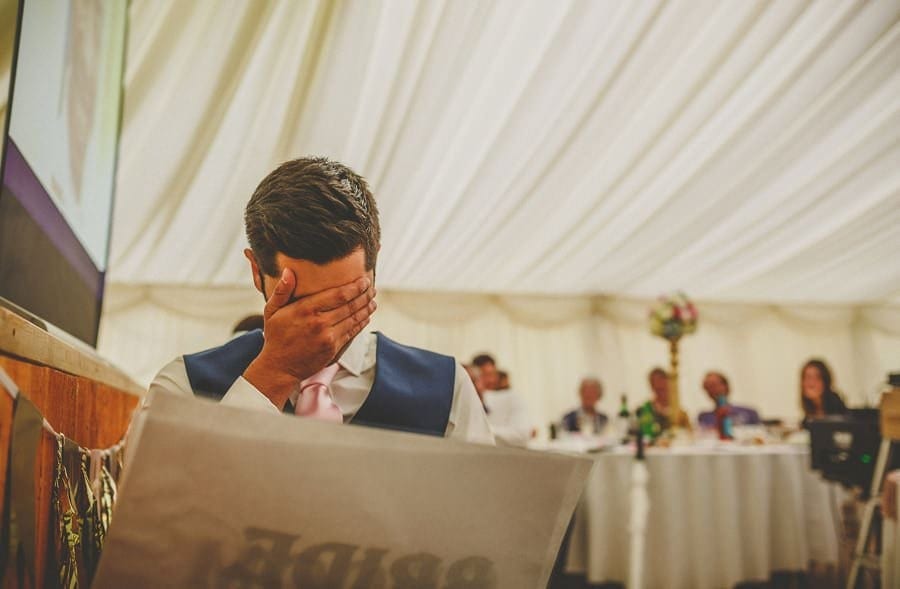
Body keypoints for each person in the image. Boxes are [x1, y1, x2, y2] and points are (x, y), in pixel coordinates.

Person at [150, 157, 493, 444]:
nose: (323, 326)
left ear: (375, 269)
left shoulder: (448, 390)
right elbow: (161, 515)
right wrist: (275, 373)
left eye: (348, 298)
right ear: (257, 272)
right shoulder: (183, 386)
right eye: (304, 303)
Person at [473, 354, 533, 447]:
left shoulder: (513, 397)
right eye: (484, 375)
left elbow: (522, 434)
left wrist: (481, 431)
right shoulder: (472, 400)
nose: (491, 380)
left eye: (492, 374)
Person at [800, 358, 848, 427]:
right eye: (807, 377)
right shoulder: (809, 417)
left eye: (817, 377)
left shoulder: (839, 414)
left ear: (826, 382)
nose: (811, 383)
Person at [647, 367, 691, 431]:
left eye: (660, 381)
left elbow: (689, 433)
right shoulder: (645, 410)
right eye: (654, 382)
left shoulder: (681, 413)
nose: (658, 385)